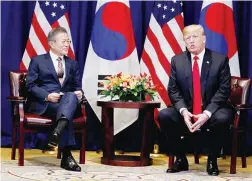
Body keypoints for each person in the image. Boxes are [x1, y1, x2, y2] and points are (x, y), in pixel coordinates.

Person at [158, 24, 235, 176]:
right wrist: (184, 111)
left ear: (204, 39)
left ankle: (212, 160)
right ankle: (180, 159)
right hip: (188, 109)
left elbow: (223, 90)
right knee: (164, 115)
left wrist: (207, 113)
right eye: (187, 38)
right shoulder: (177, 60)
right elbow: (173, 90)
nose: (191, 41)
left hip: (212, 109)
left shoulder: (219, 60)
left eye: (195, 37)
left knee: (223, 117)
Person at [26, 27, 84, 172]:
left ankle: (58, 131)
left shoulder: (73, 64)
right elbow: (30, 85)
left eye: (68, 41)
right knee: (67, 113)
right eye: (63, 41)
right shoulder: (37, 61)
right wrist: (47, 95)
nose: (67, 45)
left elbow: (78, 87)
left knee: (70, 96)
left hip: (67, 101)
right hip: (45, 104)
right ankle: (67, 156)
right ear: (52, 44)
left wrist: (80, 94)